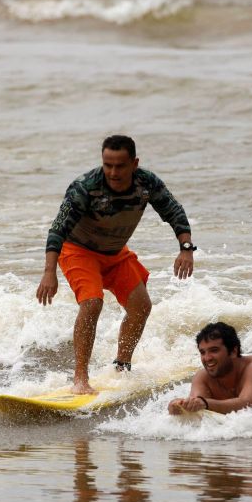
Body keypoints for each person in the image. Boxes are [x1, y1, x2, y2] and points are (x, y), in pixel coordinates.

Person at [36, 134, 195, 394]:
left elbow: (173, 211)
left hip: (115, 253)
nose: (113, 172)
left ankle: (122, 368)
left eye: (120, 165)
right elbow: (57, 230)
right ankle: (80, 380)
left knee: (141, 306)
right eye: (108, 164)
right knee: (92, 302)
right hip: (78, 251)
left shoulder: (147, 183)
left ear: (134, 163)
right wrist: (48, 273)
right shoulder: (85, 186)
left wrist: (186, 248)